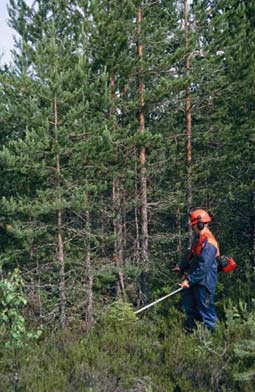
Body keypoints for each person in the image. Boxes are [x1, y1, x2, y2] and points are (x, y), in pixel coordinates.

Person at [173, 209, 219, 332]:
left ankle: (214, 342)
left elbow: (204, 267)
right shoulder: (199, 239)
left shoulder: (209, 242)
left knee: (207, 314)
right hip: (196, 282)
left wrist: (189, 280)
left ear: (200, 224)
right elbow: (192, 256)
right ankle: (194, 339)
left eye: (193, 224)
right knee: (192, 312)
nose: (192, 227)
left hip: (204, 283)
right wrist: (182, 268)